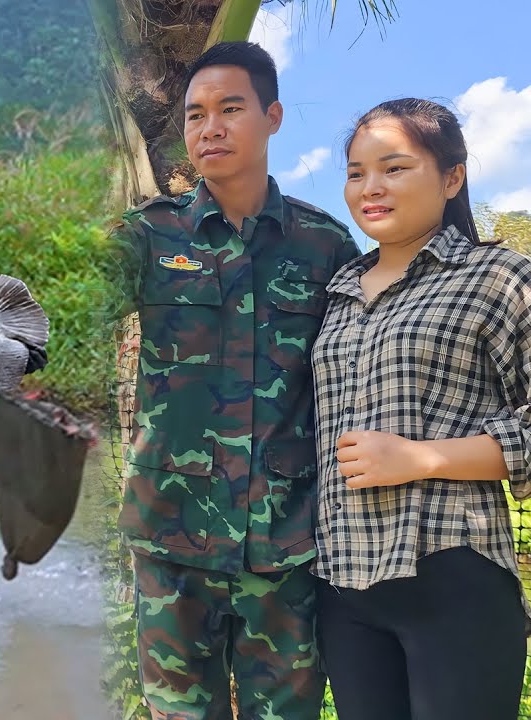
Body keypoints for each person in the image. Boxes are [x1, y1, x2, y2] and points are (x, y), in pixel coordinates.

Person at [100, 41, 362, 719]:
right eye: (195, 114)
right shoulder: (148, 238)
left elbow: (357, 371)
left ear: (272, 116)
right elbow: (70, 304)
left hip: (285, 544)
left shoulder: (325, 245)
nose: (209, 127)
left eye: (230, 108)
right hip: (171, 539)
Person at [310, 97, 531, 720]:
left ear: (452, 176)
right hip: (343, 584)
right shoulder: (336, 292)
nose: (370, 188)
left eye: (395, 168)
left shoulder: (499, 278)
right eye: (356, 172)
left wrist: (419, 458)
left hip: (452, 575)